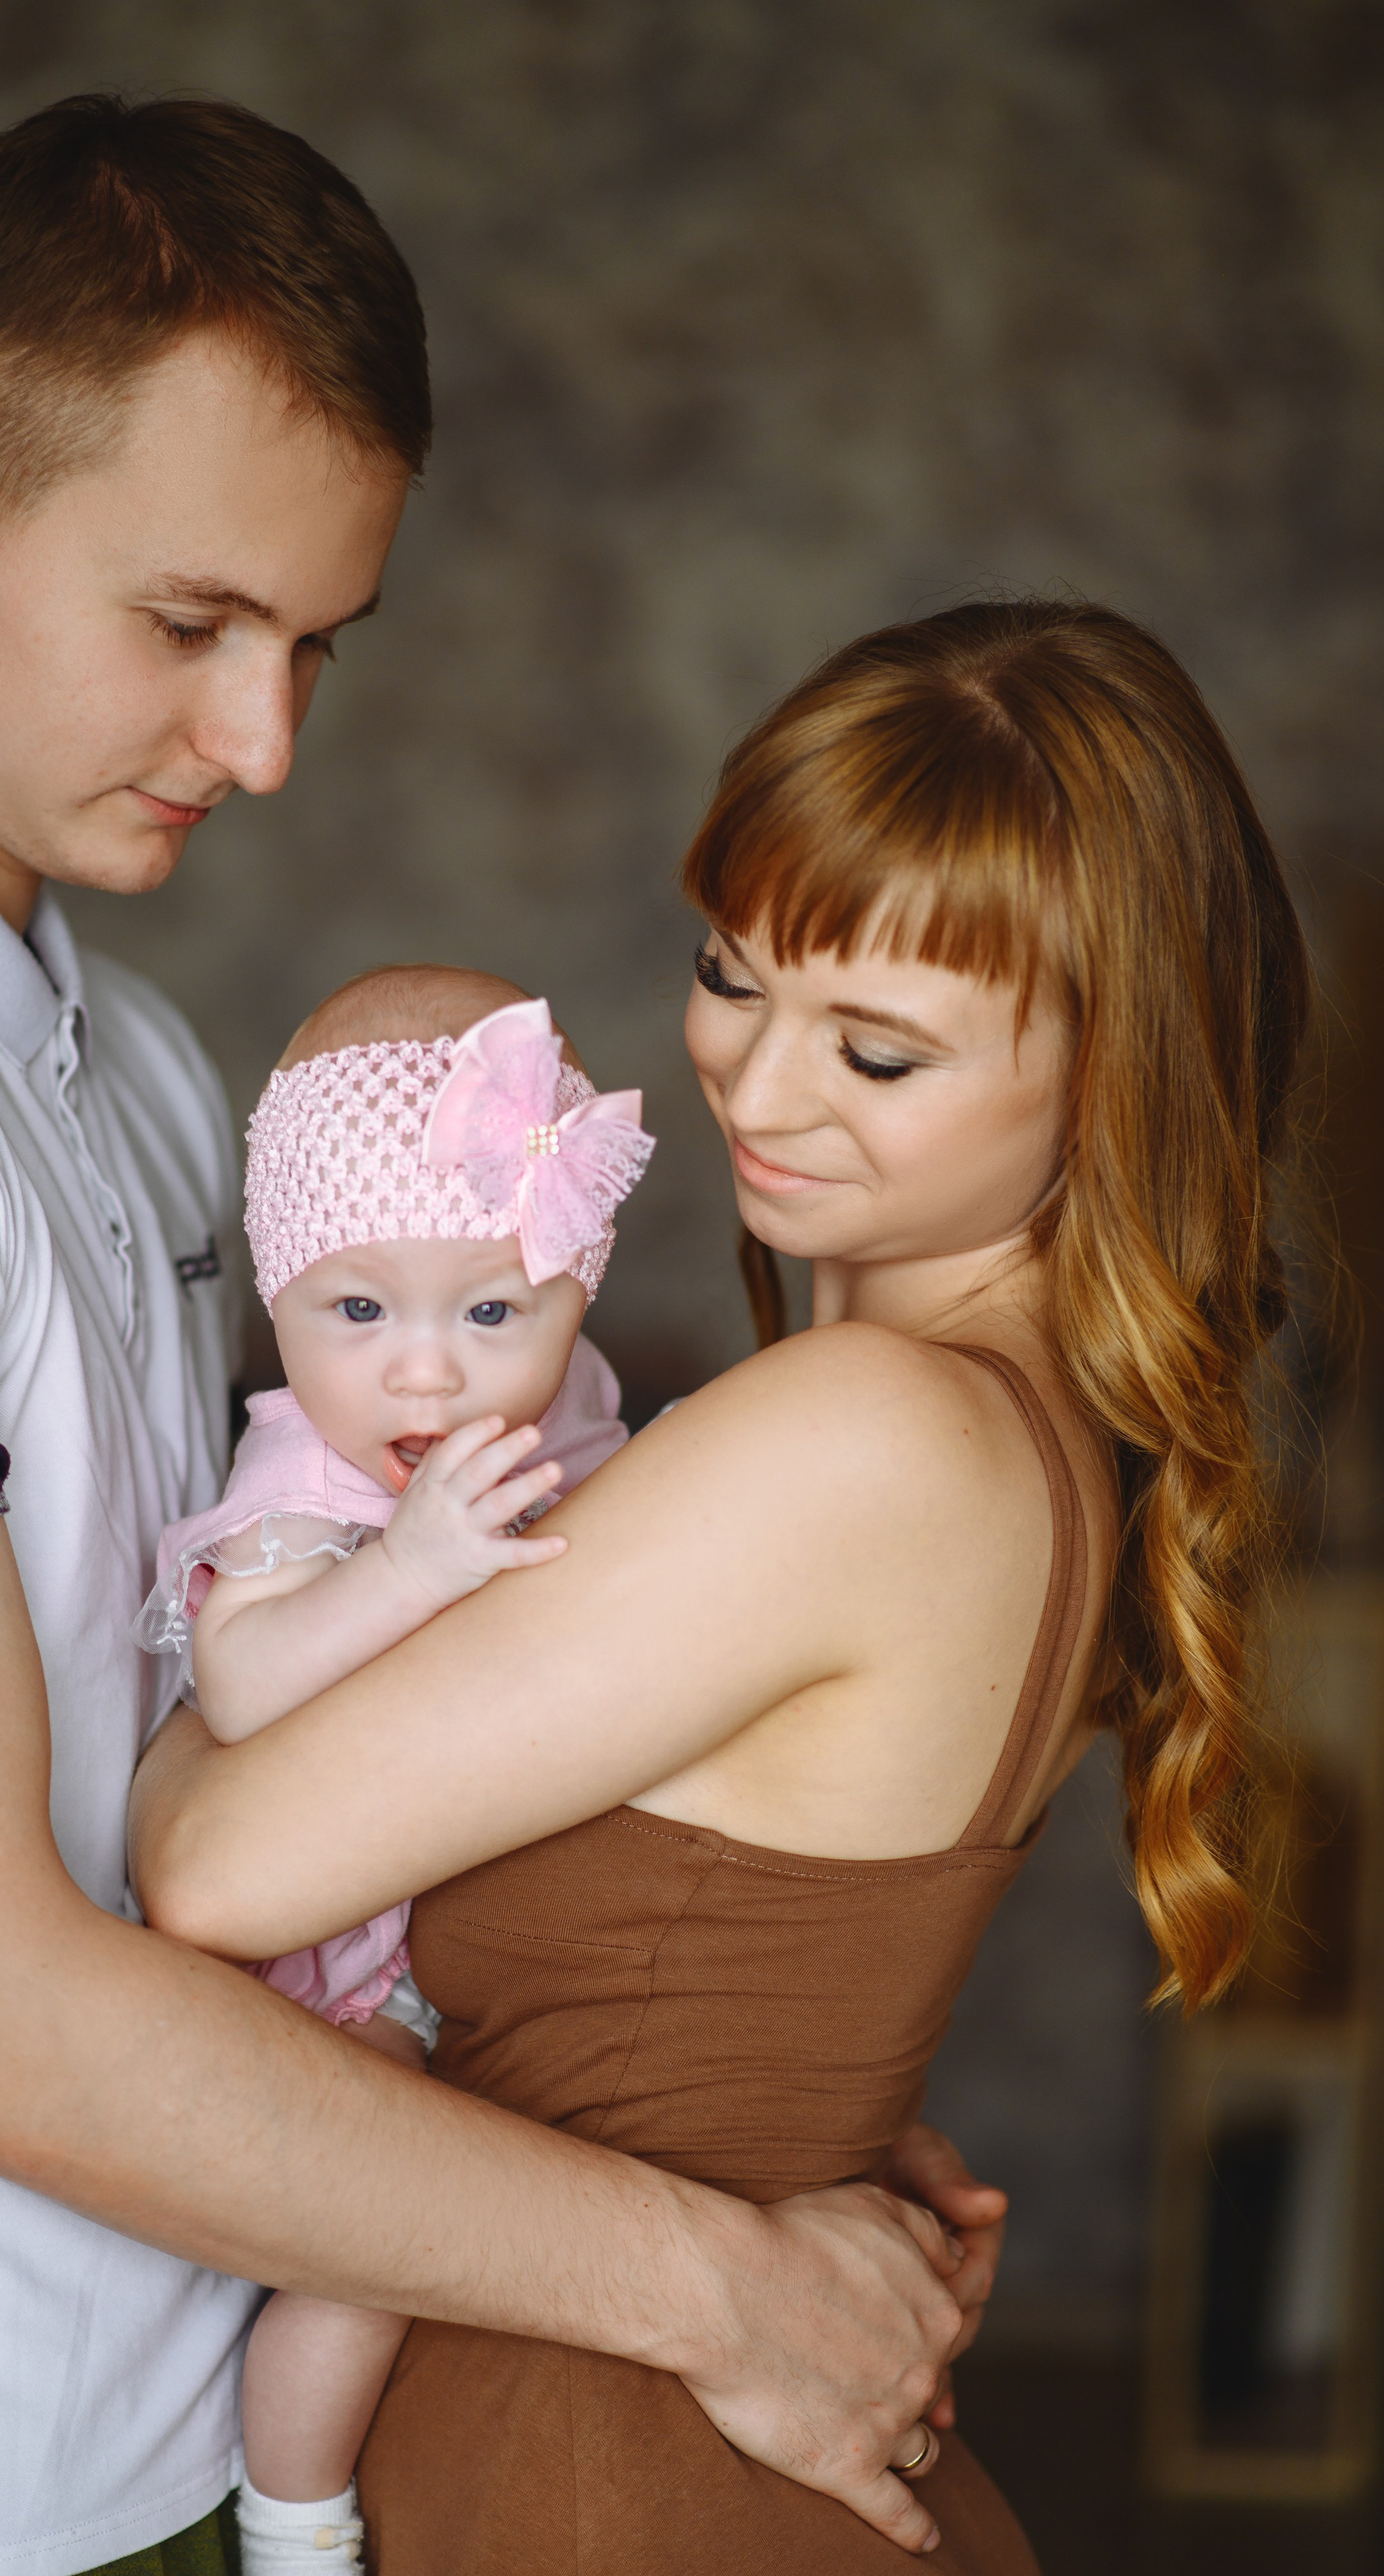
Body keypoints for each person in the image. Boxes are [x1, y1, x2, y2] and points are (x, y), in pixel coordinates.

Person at [0, 94, 998, 2576]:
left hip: (248, 2387)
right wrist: (724, 2281)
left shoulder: (153, 1065)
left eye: (312, 648)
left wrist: (693, 2087)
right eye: (192, 624)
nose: (267, 745)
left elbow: (282, 1693)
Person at [131, 597, 1312, 2572]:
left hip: (602, 2468)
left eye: (876, 1049)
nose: (755, 1093)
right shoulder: (1013, 1429)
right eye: (731, 978)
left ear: (1116, 1069)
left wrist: (208, 1656)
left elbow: (210, 1866)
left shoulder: (864, 1434)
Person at [135, 963, 653, 2570]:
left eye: (491, 1311)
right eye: (356, 1313)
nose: (423, 1375)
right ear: (281, 1299)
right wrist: (406, 1568)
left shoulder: (559, 1401)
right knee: (374, 2246)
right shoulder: (311, 1473)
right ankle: (293, 2521)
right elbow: (240, 1684)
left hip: (467, 1918)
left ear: (571, 1300)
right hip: (329, 1976)